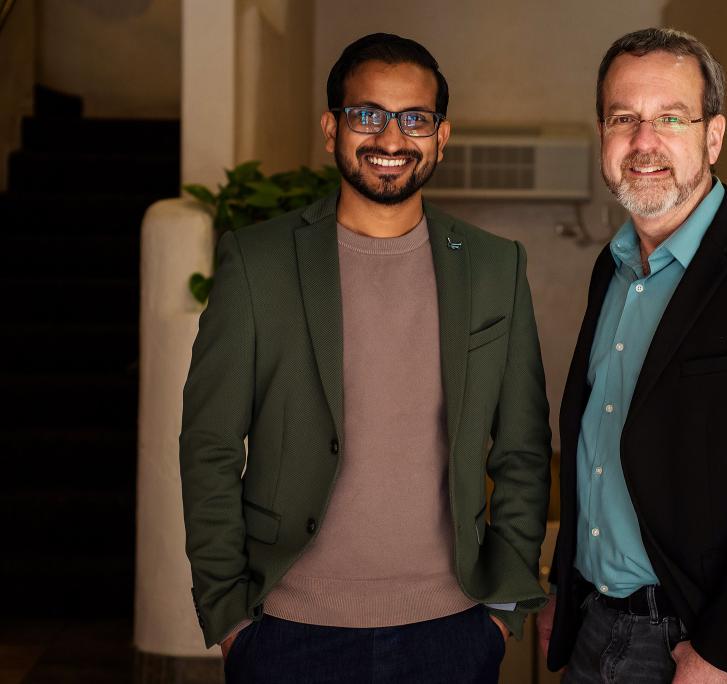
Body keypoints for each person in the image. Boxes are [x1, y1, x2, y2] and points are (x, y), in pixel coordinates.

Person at [179, 33, 552, 683]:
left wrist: (500, 611)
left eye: (415, 119)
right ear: (331, 128)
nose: (391, 138)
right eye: (367, 115)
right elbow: (208, 443)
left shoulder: (495, 268)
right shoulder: (257, 263)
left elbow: (522, 447)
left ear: (441, 137)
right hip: (289, 634)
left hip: (454, 633)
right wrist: (231, 617)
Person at [537, 28, 727, 683]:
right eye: (624, 118)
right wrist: (568, 591)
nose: (644, 141)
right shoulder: (613, 267)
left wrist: (724, 653)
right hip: (595, 625)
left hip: (696, 647)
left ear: (713, 136)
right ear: (603, 136)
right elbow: (596, 445)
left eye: (670, 118)